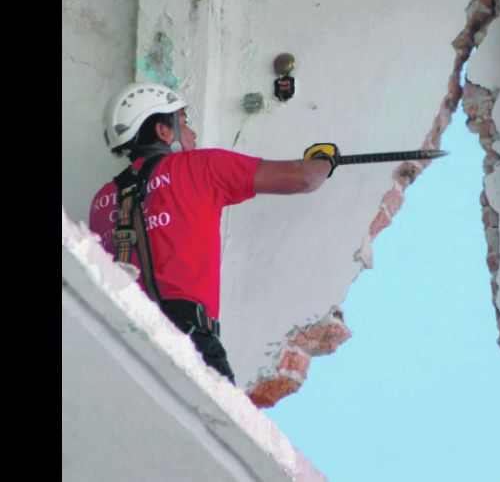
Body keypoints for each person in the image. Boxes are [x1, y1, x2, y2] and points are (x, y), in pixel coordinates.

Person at [89, 82, 337, 384]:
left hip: (119, 345)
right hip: (188, 339)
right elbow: (304, 178)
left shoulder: (102, 200)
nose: (192, 133)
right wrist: (326, 159)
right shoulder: (200, 166)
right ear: (164, 132)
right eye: (183, 122)